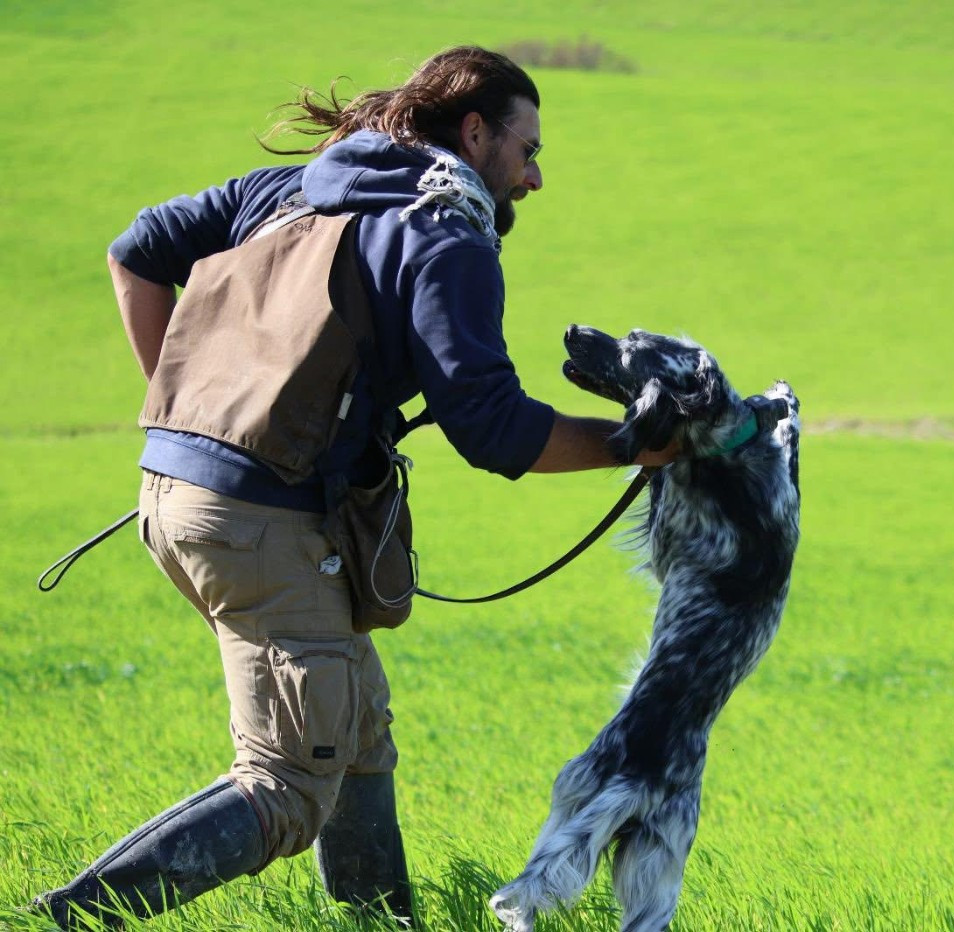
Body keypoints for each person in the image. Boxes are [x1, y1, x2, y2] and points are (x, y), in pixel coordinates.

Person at [32, 45, 674, 928]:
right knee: (289, 783)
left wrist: (177, 409)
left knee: (356, 722)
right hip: (262, 527)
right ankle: (63, 918)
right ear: (474, 131)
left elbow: (134, 254)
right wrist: (637, 446)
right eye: (527, 151)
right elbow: (492, 429)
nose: (531, 179)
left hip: (172, 496)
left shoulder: (290, 188)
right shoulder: (446, 235)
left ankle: (380, 921)